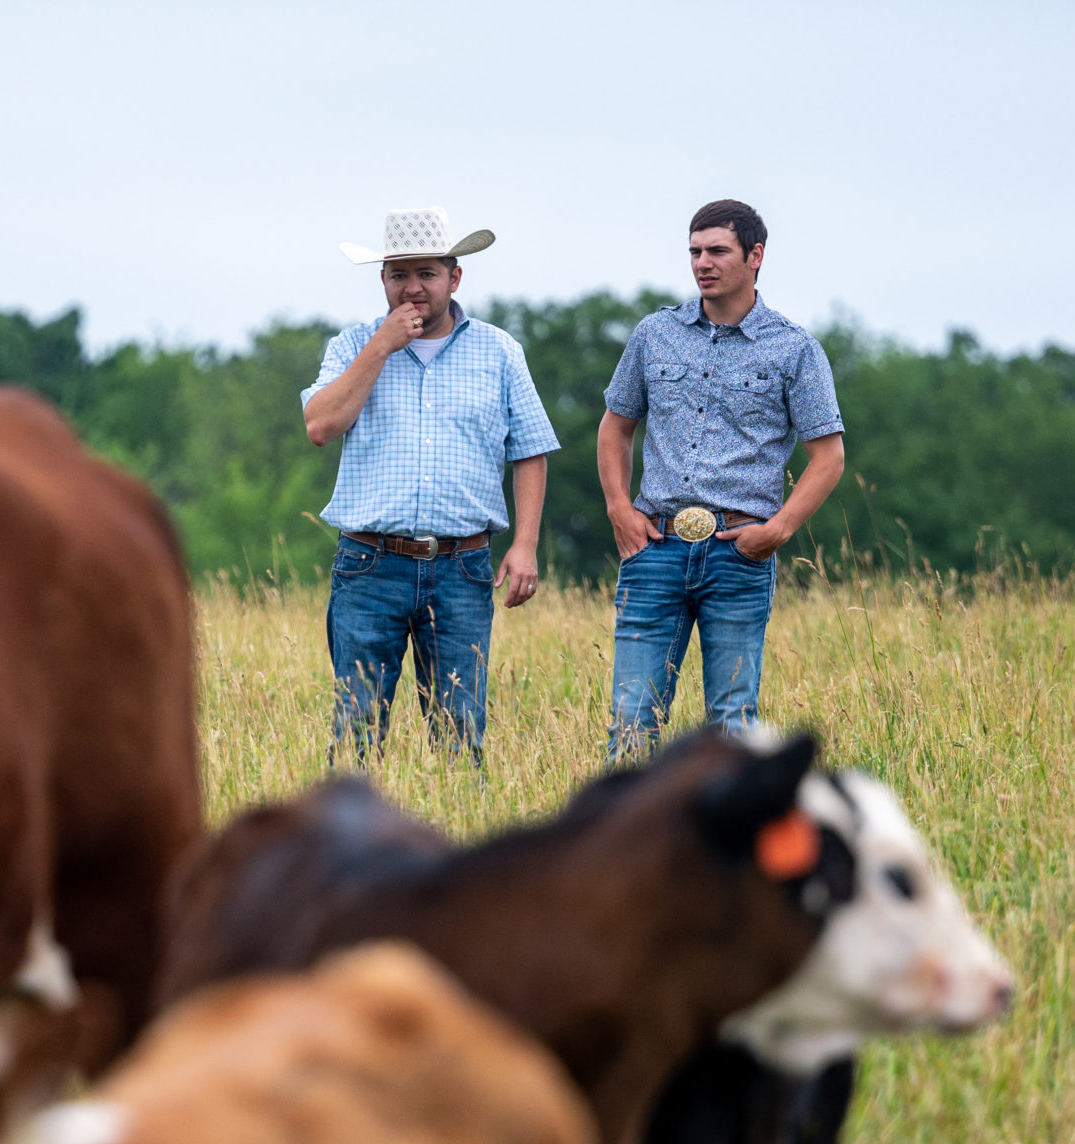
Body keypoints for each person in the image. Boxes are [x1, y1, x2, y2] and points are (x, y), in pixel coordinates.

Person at [304, 208, 558, 757]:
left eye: (427, 274)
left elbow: (532, 451)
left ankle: (461, 831)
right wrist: (381, 346)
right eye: (399, 275)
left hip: (463, 566)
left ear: (455, 277)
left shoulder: (499, 352)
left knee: (460, 737)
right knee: (355, 732)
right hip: (370, 566)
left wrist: (526, 545)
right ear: (383, 281)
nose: (412, 289)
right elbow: (320, 426)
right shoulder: (352, 346)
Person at [598, 199, 846, 757]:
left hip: (740, 551)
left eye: (717, 251)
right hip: (655, 546)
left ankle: (729, 846)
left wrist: (778, 530)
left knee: (733, 728)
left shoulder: (795, 348)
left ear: (755, 256)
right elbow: (615, 427)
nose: (702, 263)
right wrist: (619, 507)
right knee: (632, 719)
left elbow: (828, 457)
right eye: (694, 251)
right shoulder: (654, 334)